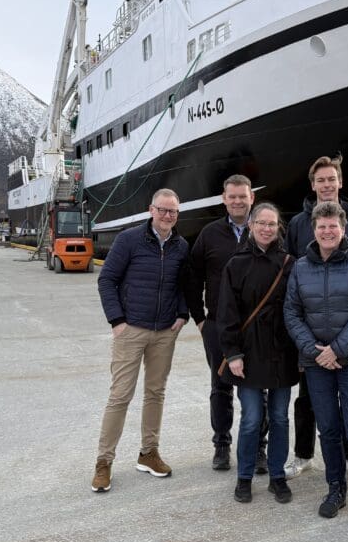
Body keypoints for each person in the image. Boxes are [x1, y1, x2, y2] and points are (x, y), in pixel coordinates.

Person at [283, 201, 348, 535]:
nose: (328, 232)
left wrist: (337, 350)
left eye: (333, 226)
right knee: (328, 429)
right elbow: (292, 312)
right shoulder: (300, 267)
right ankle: (336, 489)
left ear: (343, 229)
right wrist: (315, 351)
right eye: (322, 226)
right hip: (316, 362)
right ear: (314, 230)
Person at [90, 189, 190, 493]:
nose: (167, 216)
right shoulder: (129, 240)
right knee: (120, 395)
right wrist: (117, 321)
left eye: (173, 211)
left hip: (164, 332)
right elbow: (107, 279)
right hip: (131, 329)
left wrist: (182, 314)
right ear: (151, 210)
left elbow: (183, 284)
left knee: (156, 393)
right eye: (163, 210)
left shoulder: (181, 245)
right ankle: (104, 462)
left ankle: (149, 453)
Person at [284, 153, 348, 479]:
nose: (326, 185)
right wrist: (306, 345)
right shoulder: (298, 223)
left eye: (331, 179)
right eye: (320, 180)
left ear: (340, 182)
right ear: (313, 185)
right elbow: (291, 278)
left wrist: (343, 344)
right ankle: (303, 454)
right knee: (307, 400)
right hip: (312, 338)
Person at [184, 174, 268, 473]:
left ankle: (258, 447)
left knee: (258, 388)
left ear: (252, 197)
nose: (237, 201)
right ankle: (221, 444)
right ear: (224, 199)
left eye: (242, 196)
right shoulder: (210, 234)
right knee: (221, 387)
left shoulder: (264, 231)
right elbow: (192, 277)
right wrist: (200, 319)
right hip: (218, 326)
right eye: (232, 196)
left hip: (256, 327)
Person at [219, 202, 299, 504]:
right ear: (251, 226)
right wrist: (233, 353)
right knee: (252, 418)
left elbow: (298, 309)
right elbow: (227, 312)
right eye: (261, 223)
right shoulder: (236, 264)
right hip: (249, 353)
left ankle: (277, 476)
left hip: (282, 352)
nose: (267, 228)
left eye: (272, 224)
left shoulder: (289, 263)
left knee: (280, 417)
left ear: (279, 227)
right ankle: (244, 476)